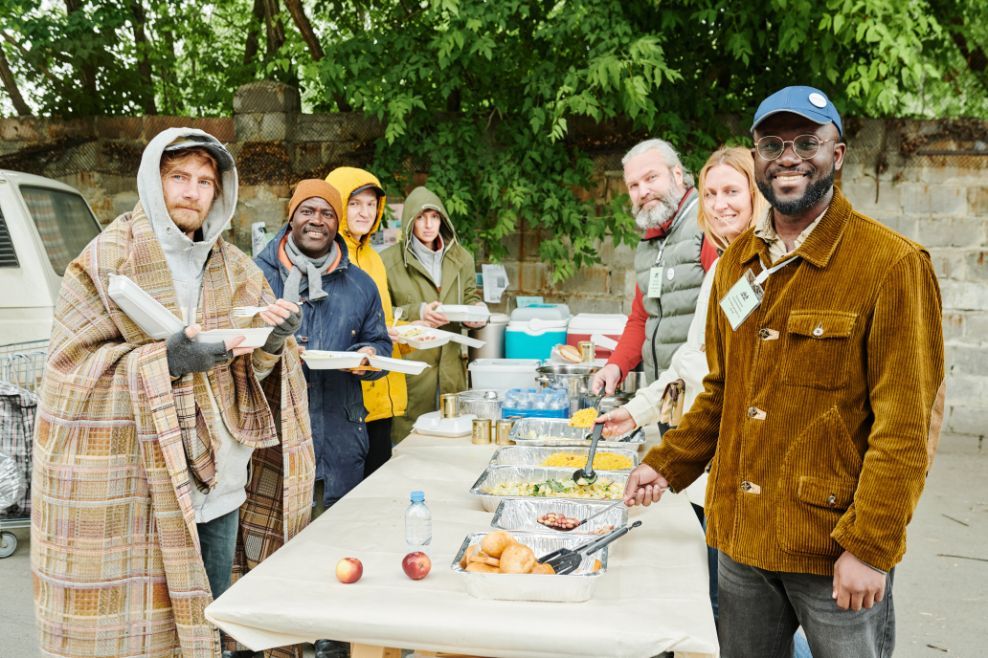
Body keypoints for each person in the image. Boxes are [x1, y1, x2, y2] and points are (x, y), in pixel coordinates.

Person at [622, 86, 945, 658]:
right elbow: (723, 390)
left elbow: (905, 429)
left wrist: (870, 546)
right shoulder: (736, 265)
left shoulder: (891, 266)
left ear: (837, 154)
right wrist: (666, 465)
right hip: (742, 545)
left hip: (833, 554)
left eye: (806, 142)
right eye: (772, 143)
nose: (788, 155)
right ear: (757, 158)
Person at [31, 128, 315, 658]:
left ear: (220, 192)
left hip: (222, 486)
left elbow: (257, 367)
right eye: (178, 177)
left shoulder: (236, 268)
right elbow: (68, 374)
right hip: (142, 485)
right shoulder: (105, 260)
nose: (192, 191)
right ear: (152, 180)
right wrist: (165, 360)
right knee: (147, 632)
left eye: (205, 181)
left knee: (211, 625)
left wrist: (273, 344)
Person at [597, 145, 766, 621]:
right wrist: (638, 408)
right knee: (720, 586)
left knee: (750, 602)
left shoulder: (751, 265)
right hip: (693, 426)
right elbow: (689, 355)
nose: (720, 203)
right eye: (713, 193)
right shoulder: (720, 268)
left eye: (732, 191)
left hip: (737, 448)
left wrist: (644, 410)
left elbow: (711, 367)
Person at [255, 179, 392, 514]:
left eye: (328, 214)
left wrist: (371, 357)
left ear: (337, 223)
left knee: (338, 542)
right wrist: (277, 350)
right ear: (291, 218)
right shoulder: (255, 276)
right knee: (272, 549)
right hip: (271, 438)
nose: (317, 220)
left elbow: (381, 343)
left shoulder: (360, 284)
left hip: (341, 438)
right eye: (307, 211)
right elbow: (232, 346)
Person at [590, 138, 717, 396]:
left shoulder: (708, 226)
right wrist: (616, 365)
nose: (643, 191)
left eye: (651, 178)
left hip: (701, 397)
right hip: (664, 397)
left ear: (677, 174)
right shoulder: (651, 239)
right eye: (633, 185)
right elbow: (642, 318)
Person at [380, 186, 487, 442]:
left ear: (443, 220)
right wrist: (419, 311)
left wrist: (478, 311)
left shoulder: (462, 258)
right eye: (420, 217)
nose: (428, 225)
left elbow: (471, 297)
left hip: (452, 367)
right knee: (409, 447)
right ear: (409, 221)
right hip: (413, 369)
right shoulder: (387, 262)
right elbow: (380, 313)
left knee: (451, 442)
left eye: (434, 217)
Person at [325, 167, 409, 477]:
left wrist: (395, 334)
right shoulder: (328, 256)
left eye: (371, 204)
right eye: (355, 203)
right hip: (350, 401)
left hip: (383, 395)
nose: (365, 212)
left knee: (377, 494)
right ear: (338, 205)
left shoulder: (375, 257)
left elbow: (379, 321)